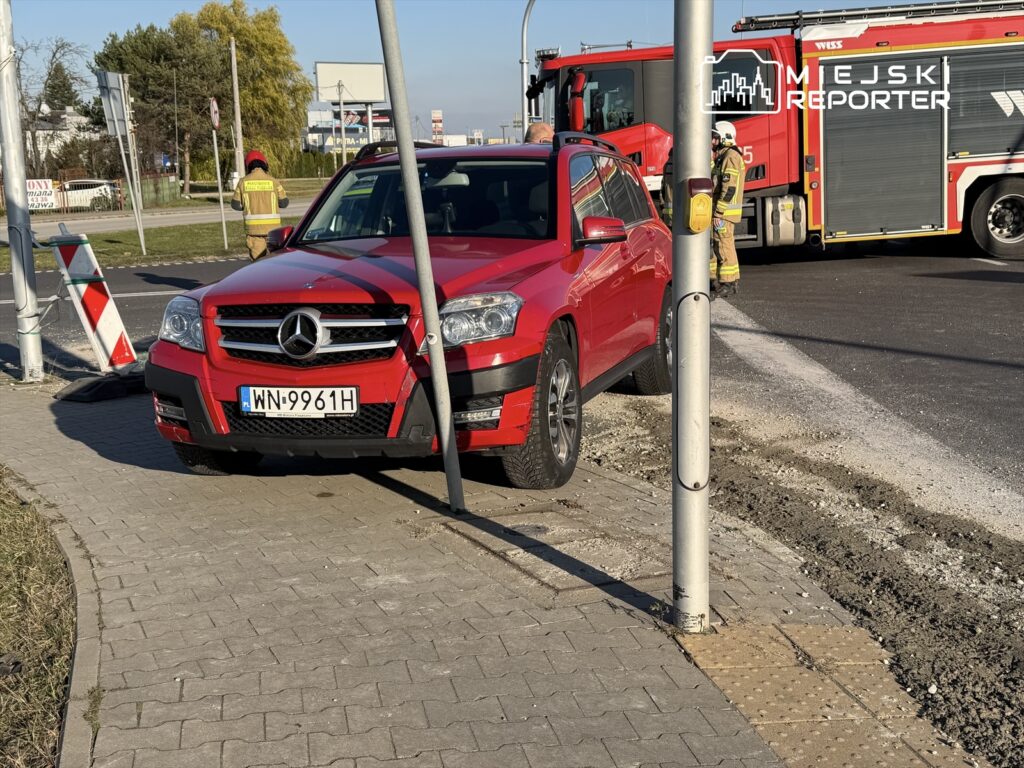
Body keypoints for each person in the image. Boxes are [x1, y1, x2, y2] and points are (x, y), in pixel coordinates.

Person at [231, 150, 289, 261]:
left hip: (254, 231)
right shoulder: (273, 181)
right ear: (265, 164)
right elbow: (284, 203)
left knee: (258, 265)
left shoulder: (243, 182)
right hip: (274, 231)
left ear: (248, 165)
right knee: (276, 262)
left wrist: (247, 205)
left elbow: (235, 205)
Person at [709, 120, 745, 298]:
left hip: (725, 212)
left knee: (724, 245)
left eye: (715, 138)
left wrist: (719, 212)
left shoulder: (730, 156)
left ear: (725, 138)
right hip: (722, 211)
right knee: (722, 244)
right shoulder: (724, 156)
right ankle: (728, 280)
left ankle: (728, 283)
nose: (713, 141)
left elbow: (729, 188)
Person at [660, 146, 674, 228]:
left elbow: (663, 186)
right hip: (677, 215)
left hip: (668, 214)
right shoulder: (678, 165)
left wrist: (662, 204)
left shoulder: (667, 165)